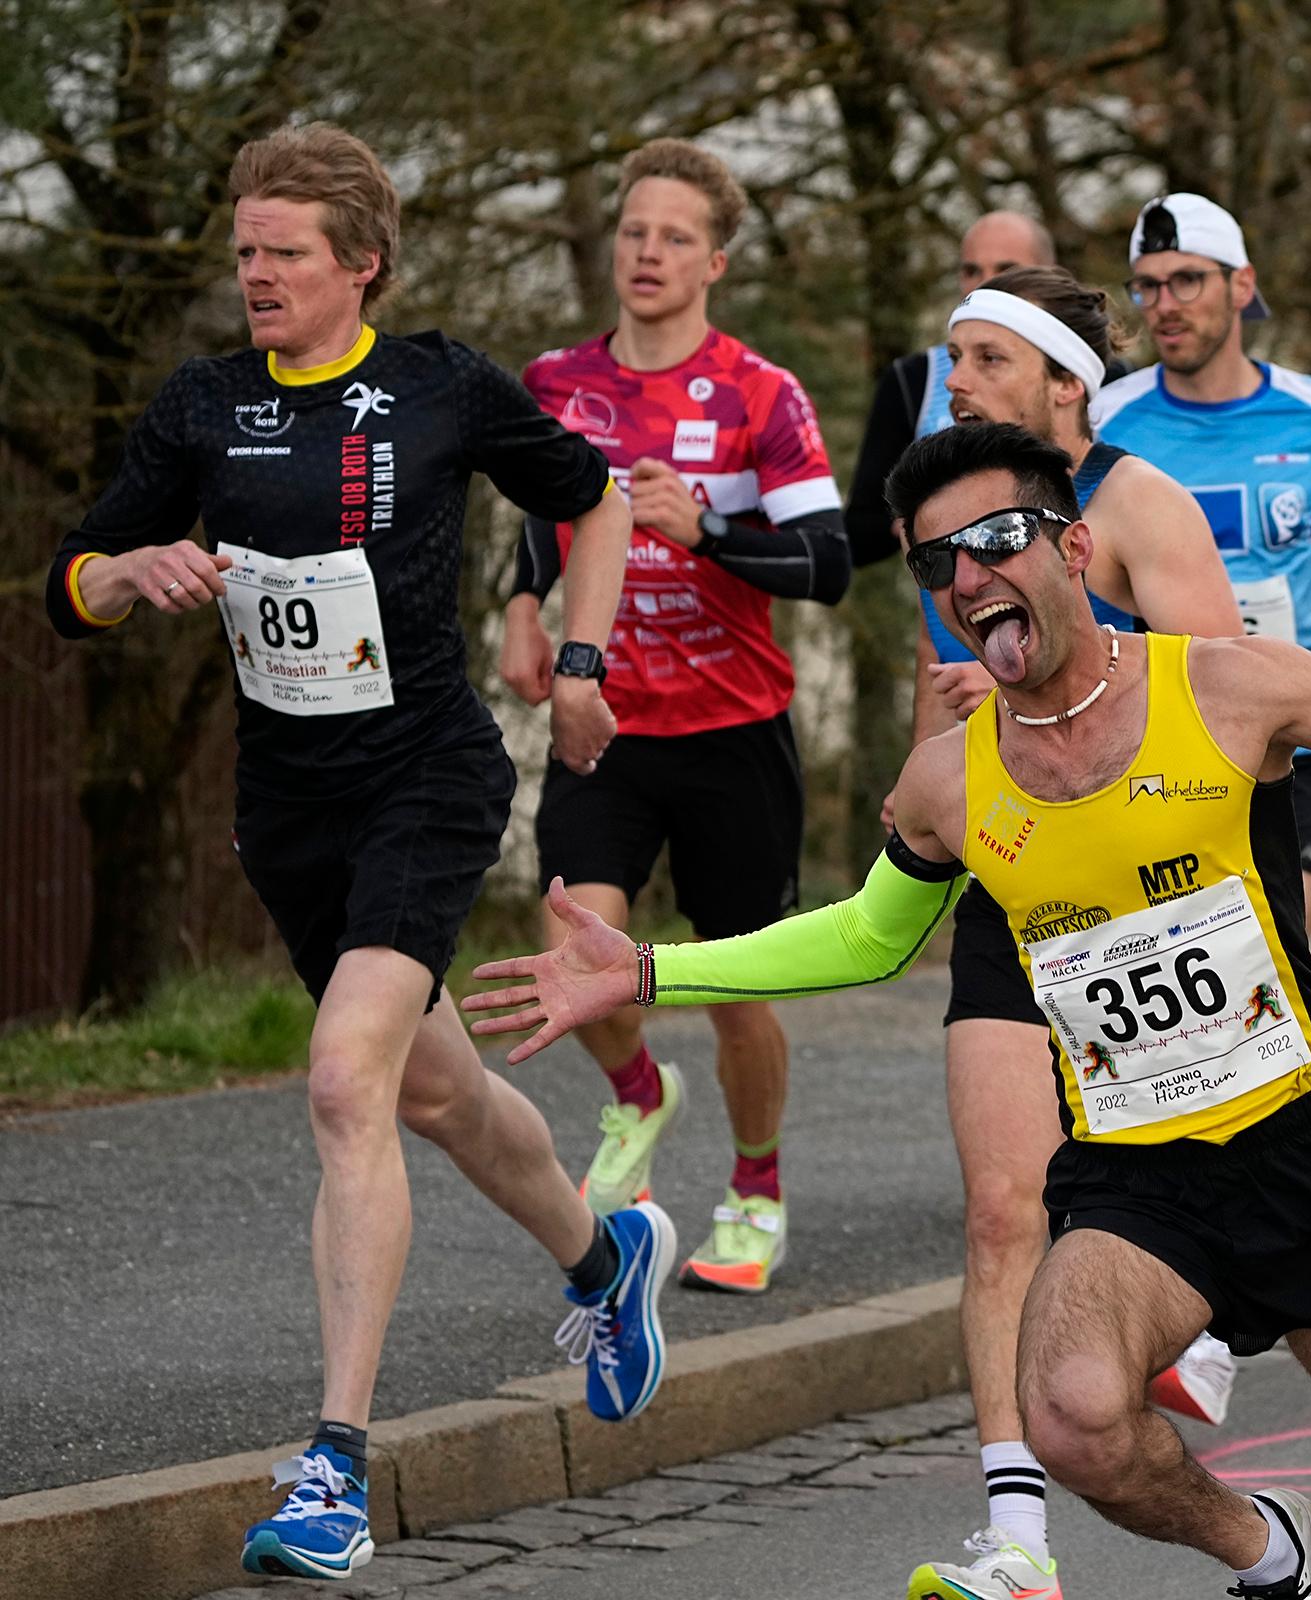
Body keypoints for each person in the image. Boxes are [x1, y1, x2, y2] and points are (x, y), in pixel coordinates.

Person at [466, 421, 1311, 1600]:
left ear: (1075, 548)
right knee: (1073, 1416)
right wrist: (649, 972)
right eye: (939, 563)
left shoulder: (1230, 686)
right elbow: (866, 935)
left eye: (996, 540)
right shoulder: (947, 784)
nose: (970, 576)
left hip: (1306, 1146)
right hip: (1137, 1177)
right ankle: (1266, 1551)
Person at [43, 124, 666, 1582]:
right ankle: (608, 1257)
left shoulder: (440, 383)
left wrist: (581, 662)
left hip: (426, 776)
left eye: (284, 253)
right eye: (244, 252)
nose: (254, 275)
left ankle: (333, 1469)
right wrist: (131, 570)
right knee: (435, 1092)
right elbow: (77, 579)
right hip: (290, 803)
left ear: (362, 264)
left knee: (343, 1081)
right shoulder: (205, 404)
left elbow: (595, 498)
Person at [901, 265, 1247, 1600]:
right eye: (952, 359)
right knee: (1002, 1209)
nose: (960, 383)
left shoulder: (1138, 503)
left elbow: (1221, 702)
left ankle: (1205, 1316)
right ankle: (1019, 1543)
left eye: (989, 359)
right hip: (1012, 877)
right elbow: (936, 729)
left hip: (1152, 898)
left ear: (1066, 386)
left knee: (1194, 1183)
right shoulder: (947, 514)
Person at [502, 139, 851, 1294]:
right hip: (606, 722)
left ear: (717, 262)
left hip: (734, 730)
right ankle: (638, 1094)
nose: (648, 253)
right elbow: (538, 516)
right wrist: (521, 606)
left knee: (734, 984)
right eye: (633, 231)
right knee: (573, 942)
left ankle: (755, 1188)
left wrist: (707, 533)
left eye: (676, 237)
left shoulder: (762, 393)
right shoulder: (557, 382)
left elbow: (829, 563)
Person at [1096, 193, 1311, 931]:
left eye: (1187, 280)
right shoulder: (1103, 419)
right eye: (1147, 286)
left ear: (1241, 285)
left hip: (1299, 727)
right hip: (1161, 748)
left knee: (1278, 954)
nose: (1164, 305)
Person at [844, 211, 1058, 571]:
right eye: (971, 271)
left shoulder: (1097, 376)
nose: (986, 285)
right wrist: (934, 522)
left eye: (1006, 270)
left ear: (1050, 277)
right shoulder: (917, 378)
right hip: (954, 603)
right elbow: (859, 532)